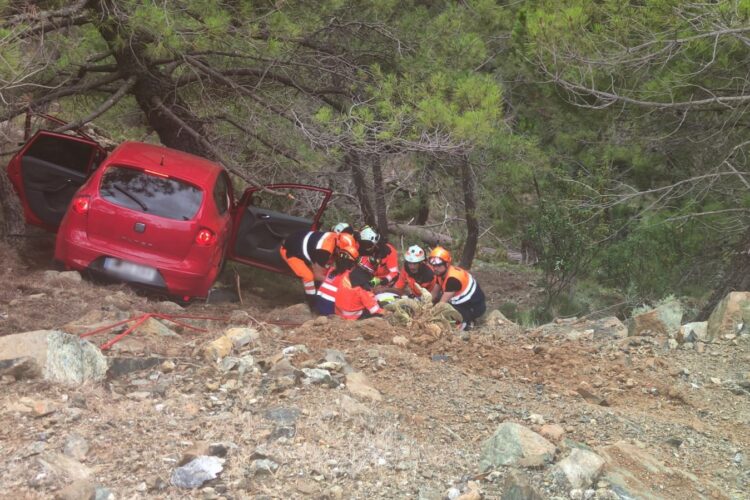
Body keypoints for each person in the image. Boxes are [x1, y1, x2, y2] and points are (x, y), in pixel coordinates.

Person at [428, 246, 486, 330]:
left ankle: (465, 324)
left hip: (474, 307)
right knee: (437, 301)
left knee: (444, 312)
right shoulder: (441, 273)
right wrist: (427, 303)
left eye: (438, 265)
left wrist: (429, 315)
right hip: (468, 302)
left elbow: (441, 305)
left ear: (446, 264)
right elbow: (434, 293)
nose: (435, 268)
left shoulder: (453, 279)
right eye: (433, 265)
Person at [279, 229, 340, 309]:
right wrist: (335, 284)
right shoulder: (324, 251)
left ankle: (316, 295)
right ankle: (310, 302)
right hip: (290, 251)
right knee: (308, 277)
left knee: (323, 273)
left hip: (300, 244)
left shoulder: (334, 237)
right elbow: (318, 276)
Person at [316, 235, 359, 315]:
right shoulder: (348, 276)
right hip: (331, 309)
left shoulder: (331, 270)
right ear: (352, 262)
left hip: (319, 303)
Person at [335, 255, 385, 320]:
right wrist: (387, 312)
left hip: (338, 311)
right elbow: (375, 310)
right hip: (352, 317)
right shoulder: (363, 289)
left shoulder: (346, 274)